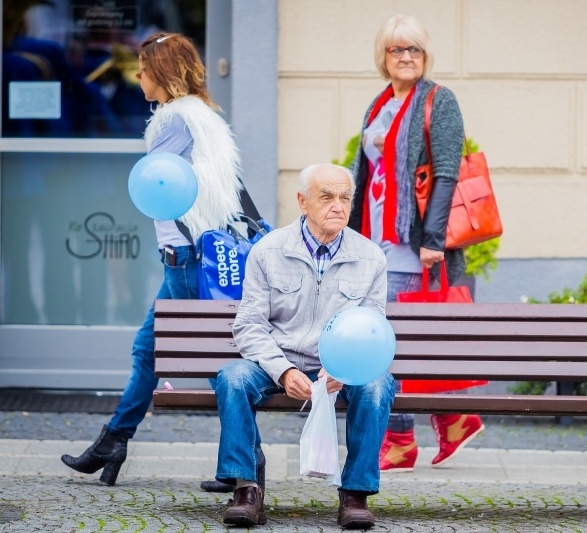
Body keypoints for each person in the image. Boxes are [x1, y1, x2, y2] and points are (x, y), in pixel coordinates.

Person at [61, 32, 247, 486]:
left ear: (162, 72)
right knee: (149, 350)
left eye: (143, 69)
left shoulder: (174, 121)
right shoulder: (200, 116)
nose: (138, 77)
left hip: (186, 256)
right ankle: (113, 443)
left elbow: (157, 185)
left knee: (216, 361)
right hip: (187, 255)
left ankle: (245, 464)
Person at [212, 163, 393, 529]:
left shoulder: (371, 256)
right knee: (231, 378)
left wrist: (345, 368)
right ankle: (246, 489)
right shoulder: (269, 250)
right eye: (326, 197)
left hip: (340, 367)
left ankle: (355, 494)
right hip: (277, 361)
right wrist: (284, 369)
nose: (338, 206)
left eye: (345, 198)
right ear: (302, 201)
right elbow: (248, 325)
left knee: (377, 385)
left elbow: (371, 329)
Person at [348, 14, 485, 473]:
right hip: (375, 240)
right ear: (383, 57)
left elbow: (447, 170)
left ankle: (401, 437)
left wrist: (433, 241)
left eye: (414, 50)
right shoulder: (379, 104)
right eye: (396, 50)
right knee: (398, 336)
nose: (405, 58)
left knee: (388, 339)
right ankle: (453, 417)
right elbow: (363, 173)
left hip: (412, 244)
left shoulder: (439, 101)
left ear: (425, 57)